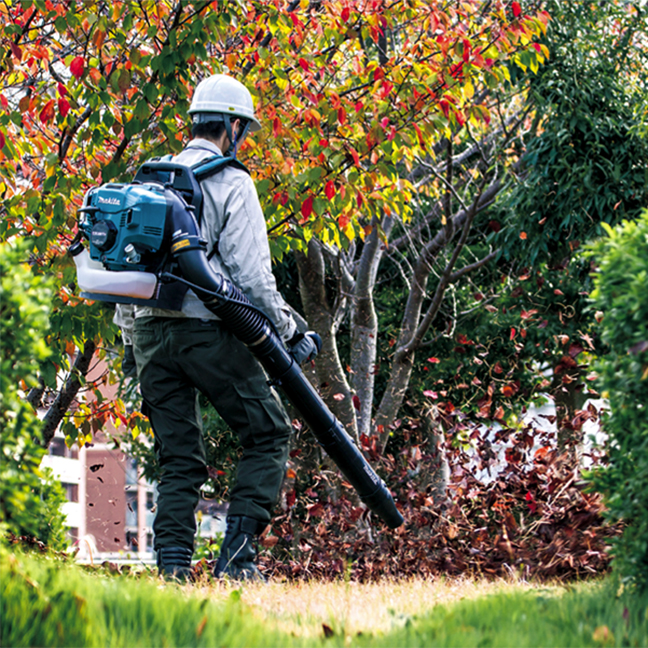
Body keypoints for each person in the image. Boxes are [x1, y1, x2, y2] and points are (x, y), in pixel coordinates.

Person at [115, 74, 320, 581]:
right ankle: (236, 561)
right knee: (269, 434)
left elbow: (123, 273)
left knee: (178, 457)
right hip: (206, 333)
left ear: (192, 122)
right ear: (233, 128)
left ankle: (174, 572)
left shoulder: (147, 182)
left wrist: (129, 346)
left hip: (147, 336)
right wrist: (292, 332)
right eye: (242, 130)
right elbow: (251, 277)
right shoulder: (231, 181)